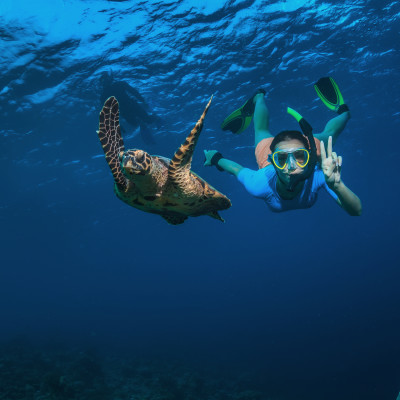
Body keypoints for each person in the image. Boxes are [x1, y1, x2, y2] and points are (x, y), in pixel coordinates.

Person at [204, 78, 362, 216]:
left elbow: (356, 211)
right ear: (272, 161)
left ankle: (343, 112)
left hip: (307, 145)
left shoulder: (321, 176)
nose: (291, 167)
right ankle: (258, 98)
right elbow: (236, 170)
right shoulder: (260, 183)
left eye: (300, 157)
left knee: (332, 132)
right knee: (260, 129)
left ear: (309, 157)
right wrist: (216, 158)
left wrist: (338, 186)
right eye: (281, 159)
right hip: (269, 148)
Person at [99, 70, 160, 145]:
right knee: (135, 123)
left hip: (132, 106)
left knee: (148, 120)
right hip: (125, 111)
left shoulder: (120, 84)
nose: (105, 82)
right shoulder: (103, 96)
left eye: (106, 79)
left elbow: (134, 92)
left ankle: (155, 119)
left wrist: (143, 101)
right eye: (103, 80)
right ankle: (144, 124)